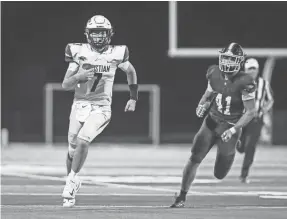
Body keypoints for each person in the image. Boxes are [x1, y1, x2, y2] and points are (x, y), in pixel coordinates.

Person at [61, 15, 138, 207]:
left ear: (109, 34)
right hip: (79, 106)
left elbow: (130, 71)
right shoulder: (77, 51)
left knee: (83, 141)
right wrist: (79, 75)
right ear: (88, 34)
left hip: (101, 107)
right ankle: (72, 179)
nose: (98, 37)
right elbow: (65, 85)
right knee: (72, 149)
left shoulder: (117, 53)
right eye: (95, 33)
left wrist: (133, 97)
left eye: (101, 33)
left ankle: (71, 180)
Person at [170, 43, 257, 208]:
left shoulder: (245, 81)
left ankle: (235, 142)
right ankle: (181, 197)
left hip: (230, 127)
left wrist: (234, 130)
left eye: (232, 59)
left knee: (219, 174)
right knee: (195, 157)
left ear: (239, 62)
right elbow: (208, 95)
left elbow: (251, 112)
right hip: (211, 122)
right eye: (226, 58)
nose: (228, 62)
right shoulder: (214, 72)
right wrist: (202, 104)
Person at [236, 58, 274, 183]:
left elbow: (270, 100)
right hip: (242, 118)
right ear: (245, 71)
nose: (252, 71)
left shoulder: (263, 83)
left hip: (256, 119)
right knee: (241, 147)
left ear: (257, 70)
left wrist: (263, 109)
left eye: (254, 69)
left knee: (250, 146)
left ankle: (244, 174)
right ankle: (239, 145)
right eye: (249, 69)